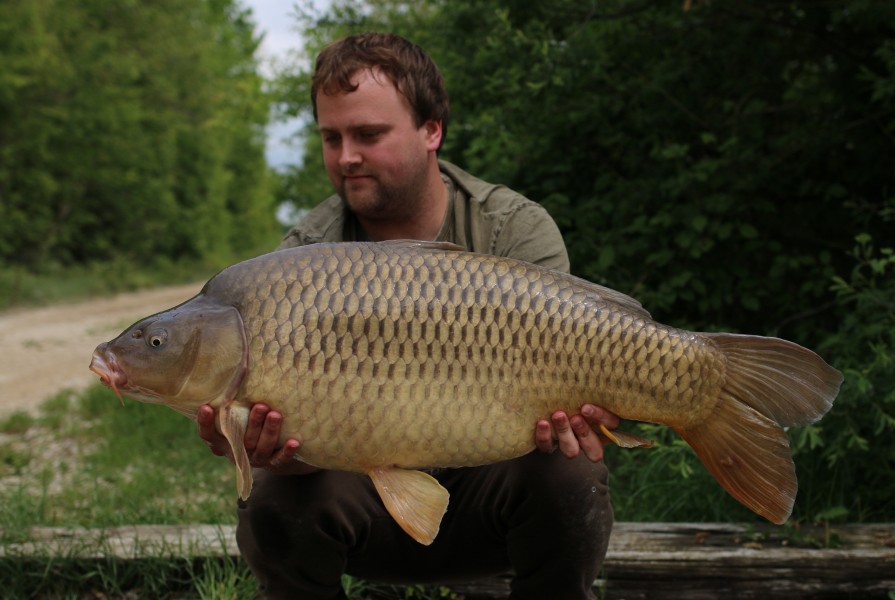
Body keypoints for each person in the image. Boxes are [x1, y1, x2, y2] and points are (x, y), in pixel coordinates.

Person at [198, 31, 621, 600]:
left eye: (368, 135)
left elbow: (572, 393)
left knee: (571, 472)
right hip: (364, 515)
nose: (346, 156)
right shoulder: (304, 255)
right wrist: (277, 455)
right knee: (273, 495)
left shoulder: (511, 230)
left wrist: (575, 419)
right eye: (331, 137)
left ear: (432, 130)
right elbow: (290, 445)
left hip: (490, 505)